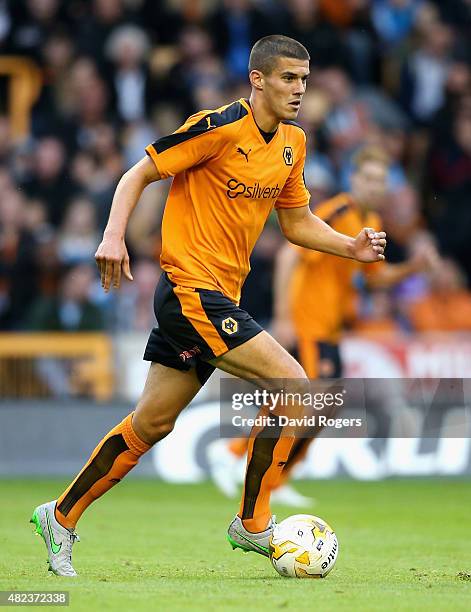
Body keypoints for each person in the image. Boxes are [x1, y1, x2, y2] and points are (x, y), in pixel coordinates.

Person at [30, 35, 386, 577]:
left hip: (219, 295)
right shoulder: (217, 127)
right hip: (190, 292)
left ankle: (60, 515)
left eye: (305, 80)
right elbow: (138, 173)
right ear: (258, 79)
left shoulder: (293, 142)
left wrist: (349, 247)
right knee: (294, 386)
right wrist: (113, 236)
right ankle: (253, 520)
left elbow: (295, 222)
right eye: (289, 78)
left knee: (150, 425)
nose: (299, 90)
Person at [211, 146, 435, 506]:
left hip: (331, 329)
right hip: (307, 324)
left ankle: (274, 475)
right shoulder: (336, 211)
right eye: (369, 178)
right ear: (354, 179)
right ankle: (240, 456)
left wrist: (413, 267)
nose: (375, 186)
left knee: (324, 405)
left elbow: (374, 279)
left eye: (382, 180)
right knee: (304, 401)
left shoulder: (371, 222)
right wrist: (284, 316)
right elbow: (288, 255)